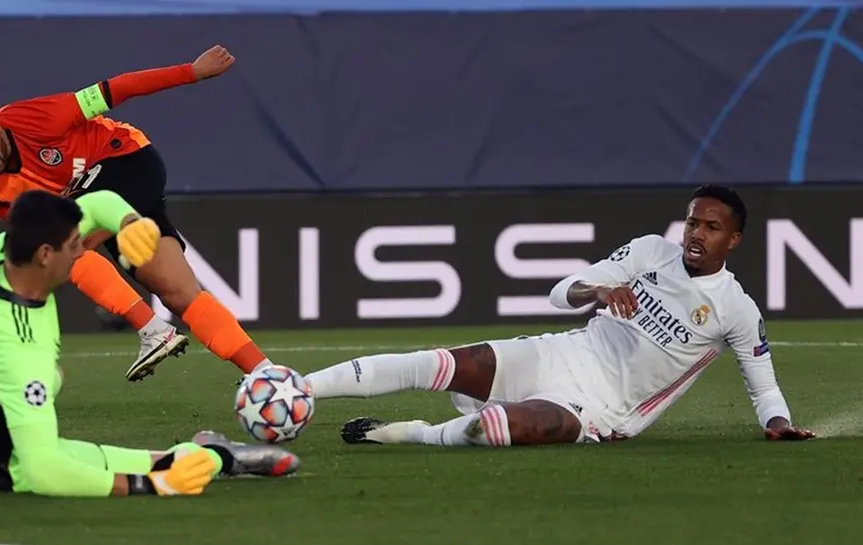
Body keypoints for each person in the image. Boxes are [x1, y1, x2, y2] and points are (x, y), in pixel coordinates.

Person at [306, 185, 816, 447]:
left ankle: (406, 432)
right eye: (692, 222)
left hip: (601, 408)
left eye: (711, 227)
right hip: (560, 353)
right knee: (437, 362)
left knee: (492, 430)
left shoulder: (736, 308)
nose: (696, 234)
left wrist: (778, 424)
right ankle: (297, 388)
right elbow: (560, 293)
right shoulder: (648, 252)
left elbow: (763, 386)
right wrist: (599, 289)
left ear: (733, 239)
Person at [0, 189, 297, 496]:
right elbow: (45, 470)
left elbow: (99, 201)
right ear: (45, 254)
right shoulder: (18, 355)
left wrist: (129, 222)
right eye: (75, 246)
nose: (82, 253)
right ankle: (215, 457)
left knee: (43, 377)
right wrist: (152, 486)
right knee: (61, 397)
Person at [0, 44, 272, 382]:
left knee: (63, 244)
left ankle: (153, 330)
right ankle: (266, 374)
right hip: (99, 205)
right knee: (178, 292)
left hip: (127, 161)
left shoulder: (36, 117)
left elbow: (118, 87)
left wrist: (191, 72)